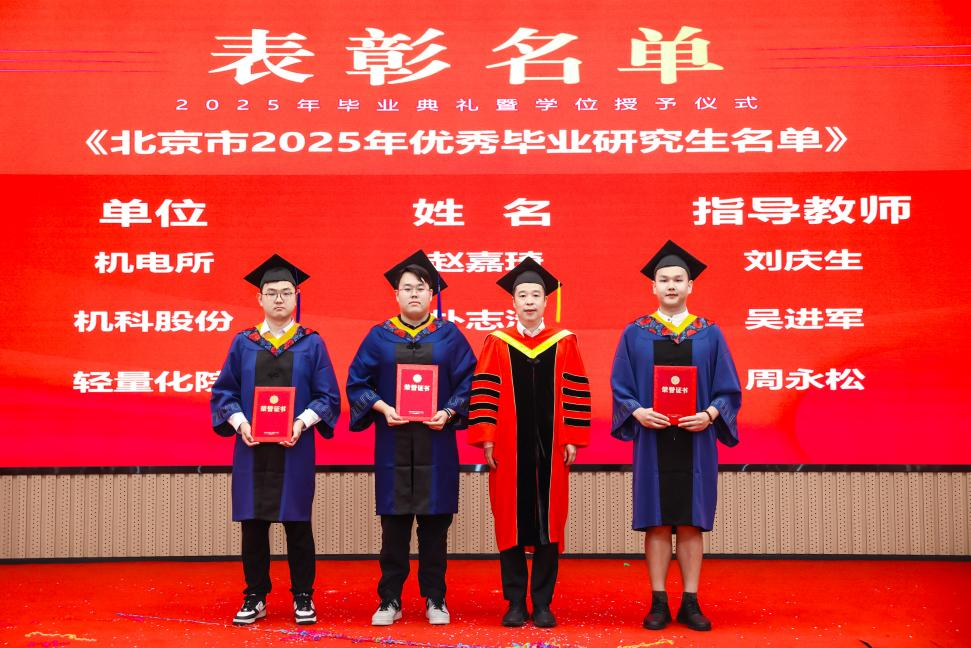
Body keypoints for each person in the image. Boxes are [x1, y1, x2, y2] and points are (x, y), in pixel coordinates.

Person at [610, 240, 741, 632]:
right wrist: (637, 411)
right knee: (655, 521)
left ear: (690, 286)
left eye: (678, 279)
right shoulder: (635, 333)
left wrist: (709, 414)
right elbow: (620, 386)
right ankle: (658, 602)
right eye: (664, 279)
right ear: (653, 287)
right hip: (652, 439)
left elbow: (728, 389)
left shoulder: (709, 334)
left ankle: (691, 601)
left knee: (690, 522)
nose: (671, 285)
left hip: (695, 439)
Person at [345, 250, 476, 626]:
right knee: (394, 528)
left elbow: (470, 381)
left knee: (435, 528)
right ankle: (390, 599)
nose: (414, 293)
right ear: (396, 295)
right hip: (394, 443)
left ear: (432, 294)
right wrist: (383, 408)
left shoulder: (449, 336)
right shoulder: (379, 337)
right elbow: (357, 382)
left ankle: (436, 597)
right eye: (407, 288)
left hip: (437, 443)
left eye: (421, 287)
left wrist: (449, 412)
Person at [210, 254, 341, 626]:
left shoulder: (311, 343)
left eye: (286, 292)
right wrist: (240, 423)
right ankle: (255, 596)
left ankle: (303, 595)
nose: (279, 299)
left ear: (296, 296)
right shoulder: (244, 342)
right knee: (253, 524)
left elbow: (328, 396)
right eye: (271, 293)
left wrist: (301, 422)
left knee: (297, 523)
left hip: (295, 447)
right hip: (251, 448)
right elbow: (224, 392)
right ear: (260, 298)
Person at [467, 257, 591, 629]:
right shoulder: (497, 342)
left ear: (545, 300)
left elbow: (575, 390)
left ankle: (543, 602)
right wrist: (487, 438)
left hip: (553, 447)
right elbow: (485, 391)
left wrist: (572, 438)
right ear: (514, 302)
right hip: (508, 446)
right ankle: (515, 601)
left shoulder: (564, 342)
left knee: (550, 523)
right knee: (510, 521)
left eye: (536, 295)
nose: (530, 301)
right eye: (523, 295)